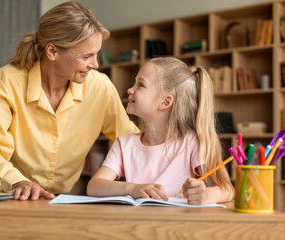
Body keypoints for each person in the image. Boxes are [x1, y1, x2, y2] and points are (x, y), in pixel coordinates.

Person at [0, 1, 139, 201]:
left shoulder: (100, 87)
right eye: (87, 56)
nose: (95, 64)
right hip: (2, 190)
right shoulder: (6, 82)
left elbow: (129, 140)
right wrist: (16, 181)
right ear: (52, 51)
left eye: (96, 54)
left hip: (55, 197)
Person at [87, 57, 234, 205]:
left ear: (165, 102)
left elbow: (227, 190)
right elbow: (94, 186)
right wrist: (132, 188)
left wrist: (207, 195)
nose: (130, 90)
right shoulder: (124, 143)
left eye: (140, 85)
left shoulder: (190, 142)